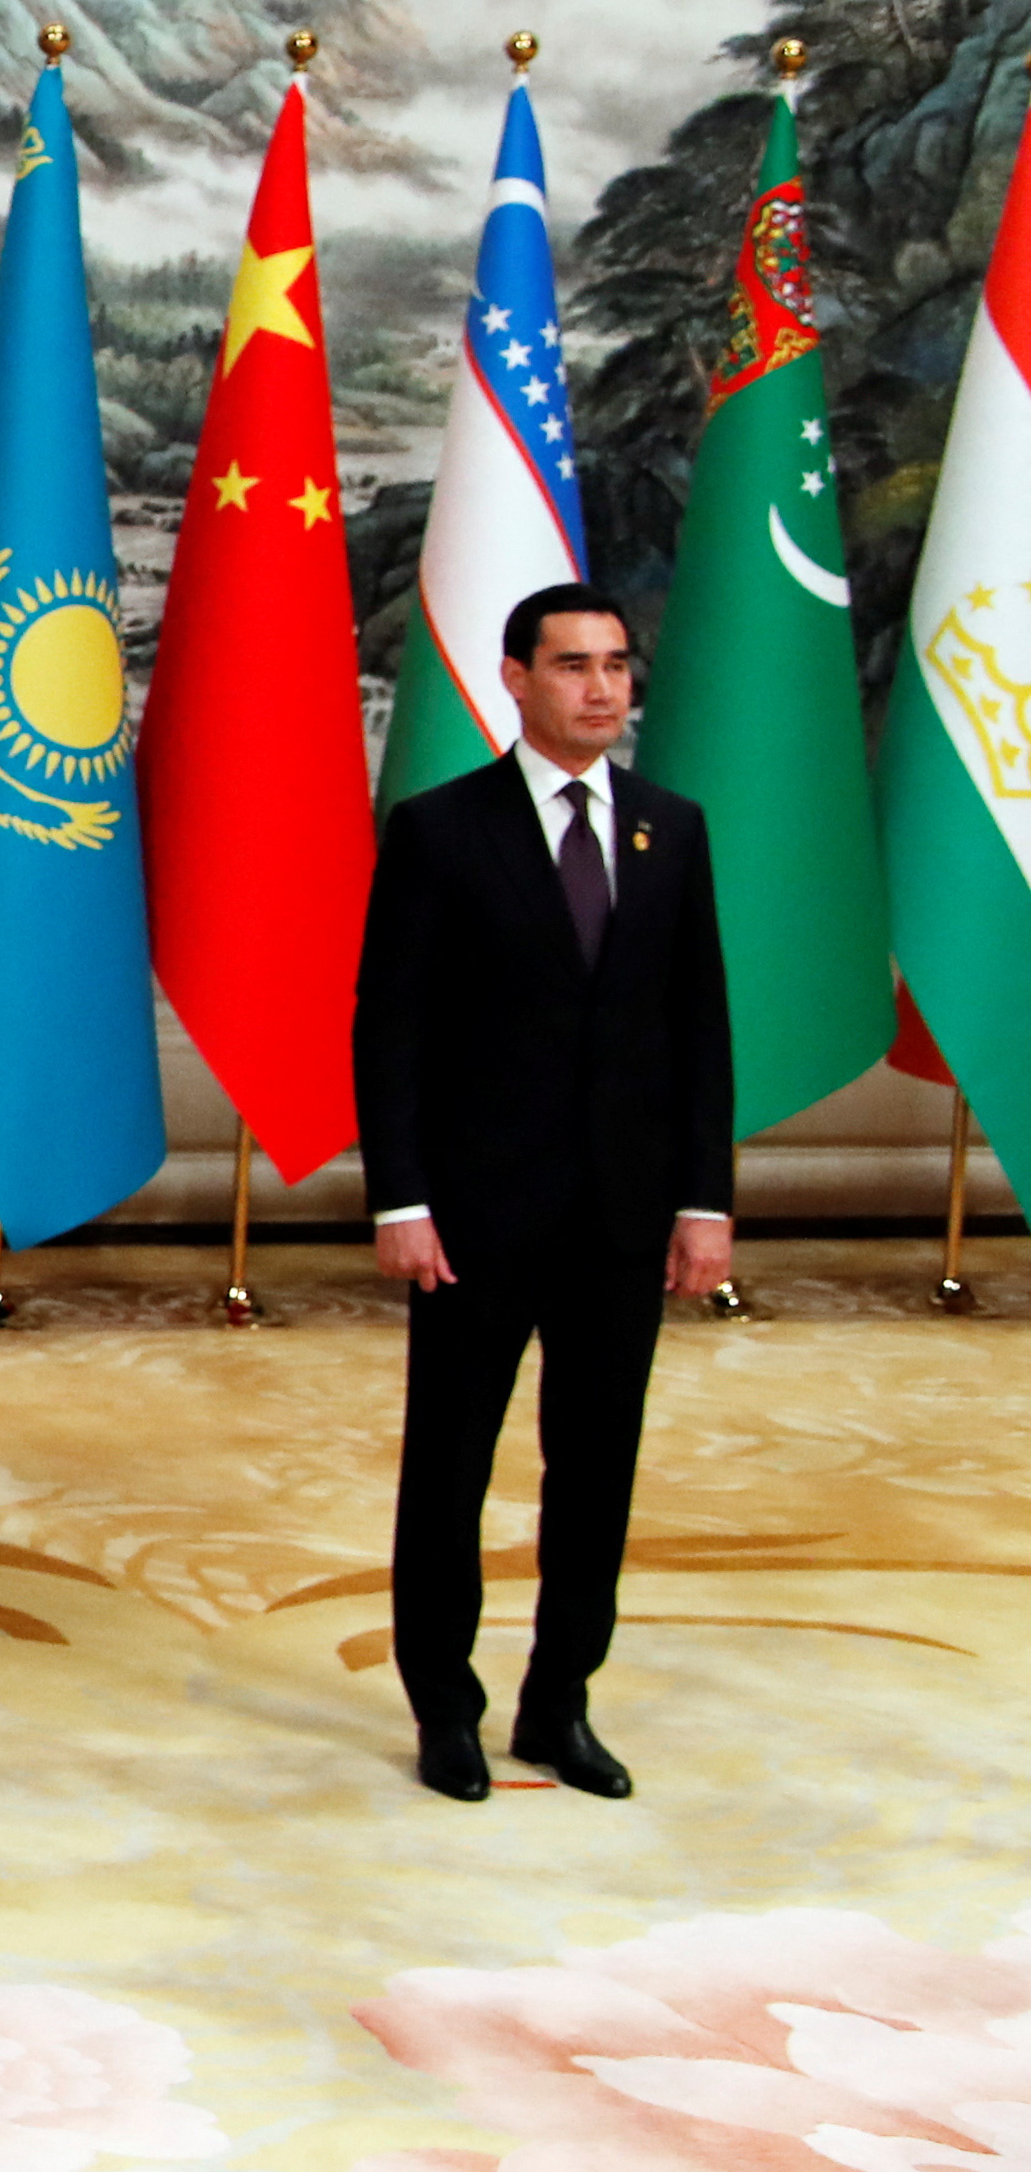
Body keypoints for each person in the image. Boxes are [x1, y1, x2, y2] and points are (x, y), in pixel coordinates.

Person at [355, 583, 733, 1803]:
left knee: (597, 1466)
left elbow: (699, 1030)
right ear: (517, 679)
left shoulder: (670, 829)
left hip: (623, 1218)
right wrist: (400, 1198)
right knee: (450, 1466)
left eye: (618, 665)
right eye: (575, 666)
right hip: (472, 1216)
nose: (604, 688)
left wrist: (704, 1199)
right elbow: (390, 1030)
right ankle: (445, 1707)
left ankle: (558, 1701)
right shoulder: (440, 828)